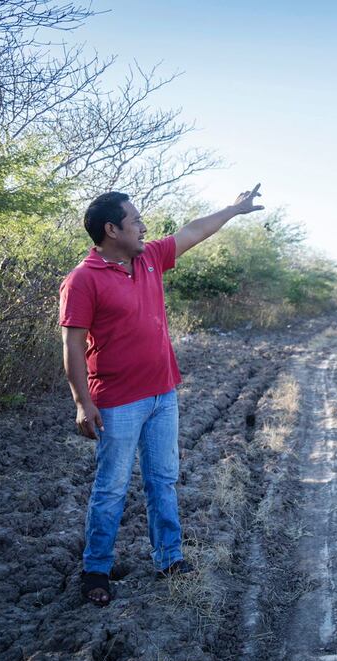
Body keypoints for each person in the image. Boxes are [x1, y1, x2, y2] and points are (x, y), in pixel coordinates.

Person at [59, 184, 264, 606]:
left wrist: (233, 208)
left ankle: (169, 559)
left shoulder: (149, 257)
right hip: (117, 402)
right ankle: (96, 569)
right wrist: (83, 402)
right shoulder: (82, 280)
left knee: (163, 481)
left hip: (162, 395)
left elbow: (193, 231)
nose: (144, 227)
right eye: (135, 221)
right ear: (112, 229)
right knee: (112, 487)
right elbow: (72, 345)